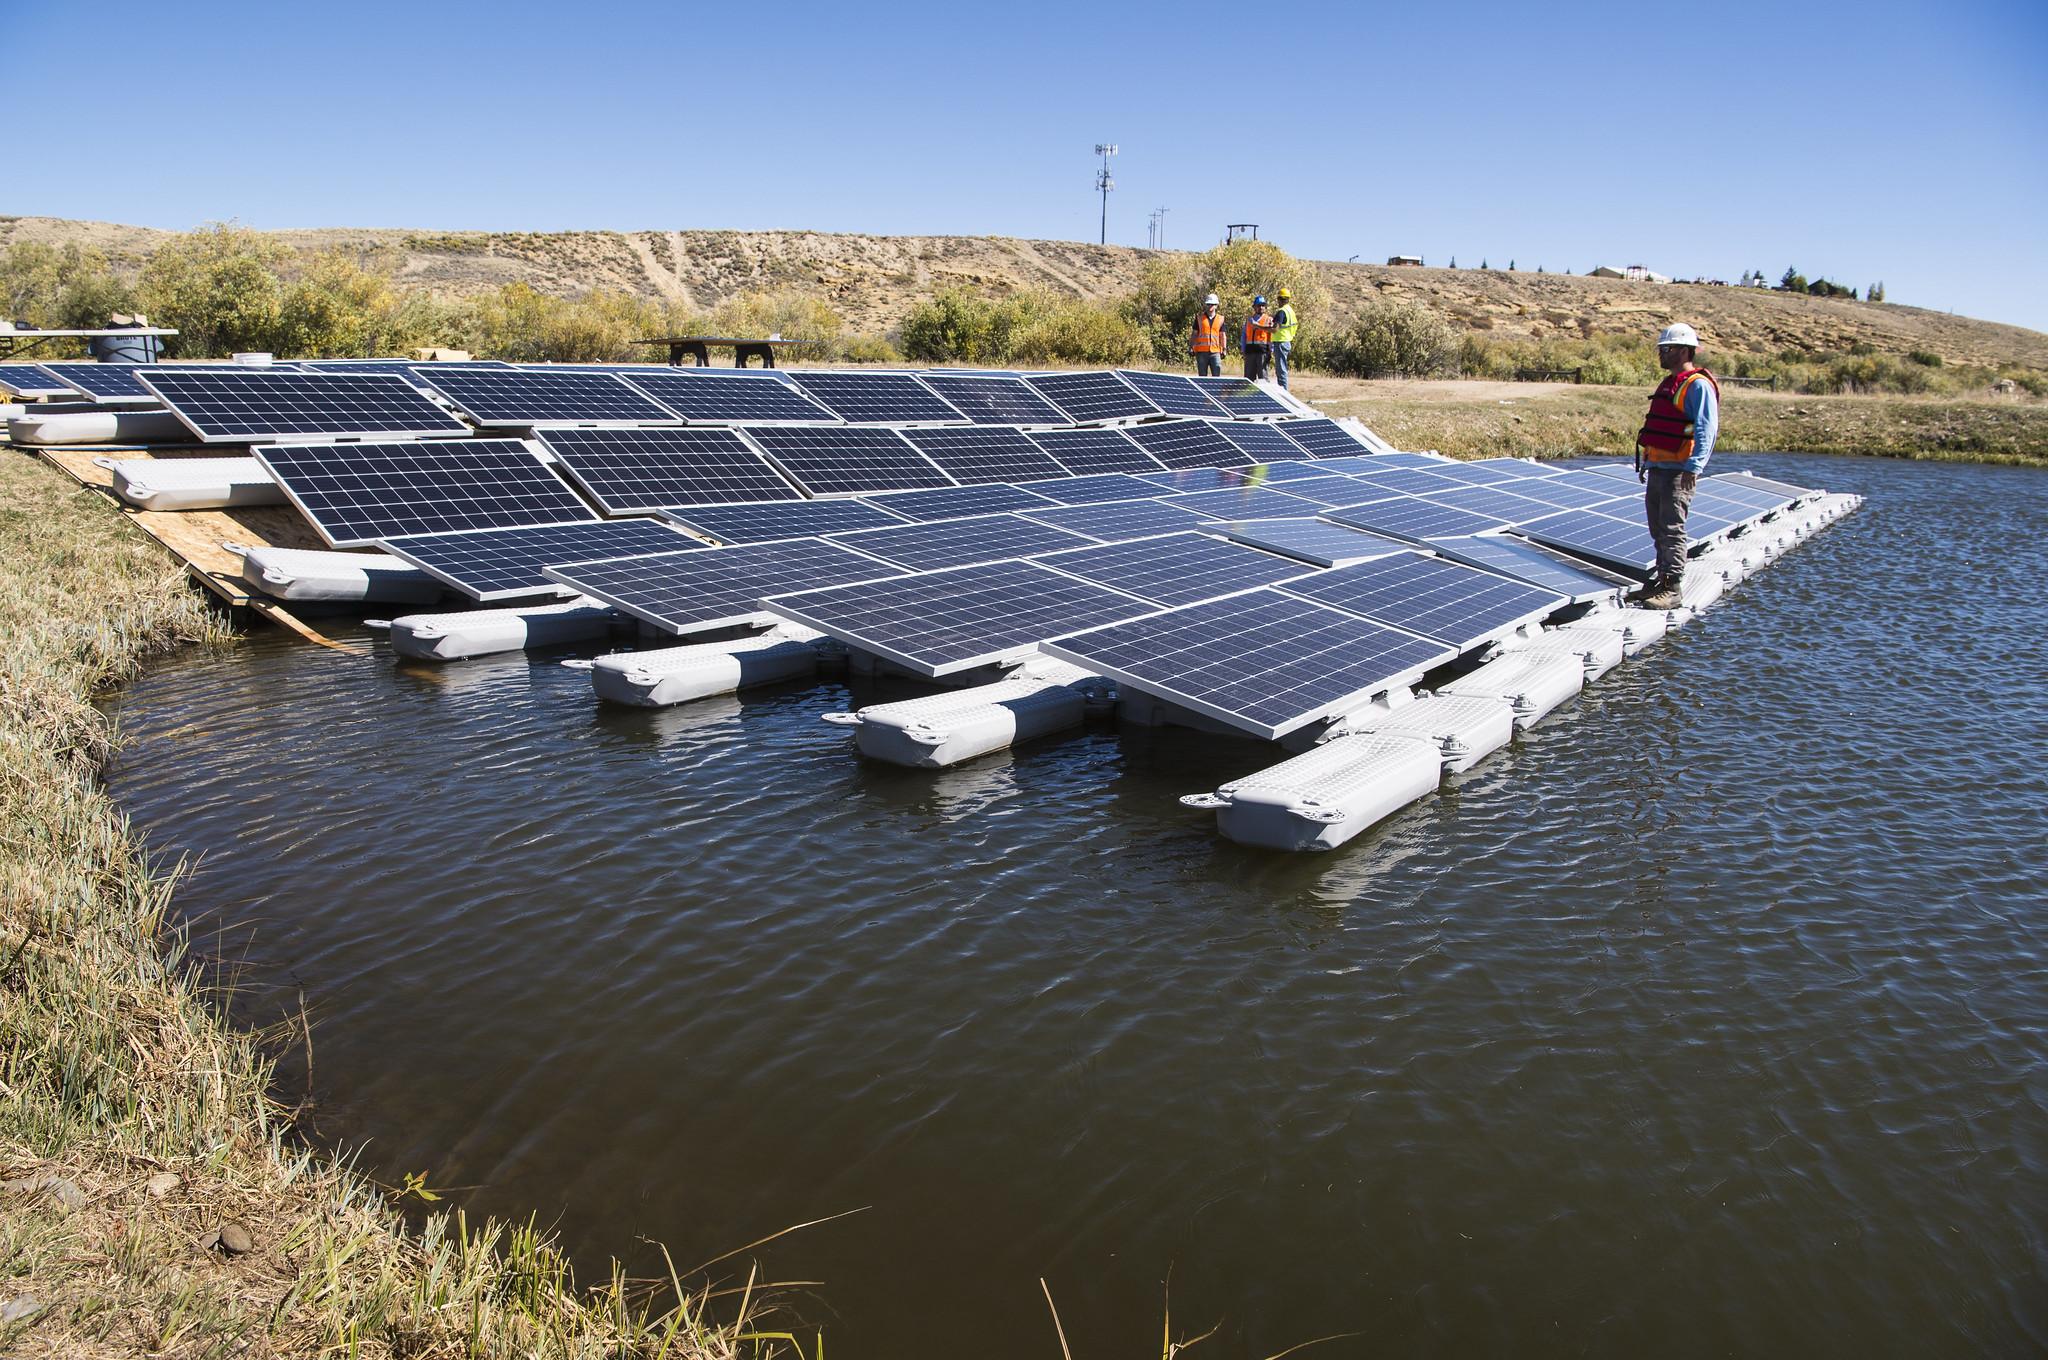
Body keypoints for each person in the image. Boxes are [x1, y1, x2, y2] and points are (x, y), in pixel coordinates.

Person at [1633, 322, 1720, 609]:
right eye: (1661, 348)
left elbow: (1706, 429)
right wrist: (1647, 462)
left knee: (1672, 529)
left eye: (1667, 348)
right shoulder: (1670, 382)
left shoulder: (1697, 385)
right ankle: (1660, 581)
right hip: (1659, 467)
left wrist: (1695, 467)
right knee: (1657, 528)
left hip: (1679, 470)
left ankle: (1672, 588)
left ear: (1684, 350)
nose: (1661, 353)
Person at [1268, 287, 1298, 389]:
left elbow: (1275, 329)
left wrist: (1260, 328)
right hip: (1286, 341)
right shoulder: (1290, 311)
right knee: (1282, 369)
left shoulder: (1281, 311)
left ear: (1279, 299)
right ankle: (1283, 391)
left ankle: (1283, 393)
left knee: (1281, 370)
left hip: (1280, 342)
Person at [1191, 293, 1226, 377]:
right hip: (1202, 352)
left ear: (1216, 305)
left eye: (1212, 304)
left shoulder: (1220, 319)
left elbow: (1222, 335)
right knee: (1202, 378)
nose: (1210, 306)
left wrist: (1224, 349)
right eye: (1208, 304)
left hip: (1215, 352)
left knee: (1216, 377)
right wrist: (1191, 347)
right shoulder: (1199, 318)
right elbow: (1194, 334)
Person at [1242, 295, 1273, 381]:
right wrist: (1243, 349)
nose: (1261, 307)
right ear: (1254, 307)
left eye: (1263, 305)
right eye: (1259, 305)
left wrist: (1271, 350)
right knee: (1248, 379)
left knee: (1263, 377)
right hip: (1250, 351)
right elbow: (1244, 336)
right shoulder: (1249, 320)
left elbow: (1271, 336)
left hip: (1262, 351)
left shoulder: (1269, 319)